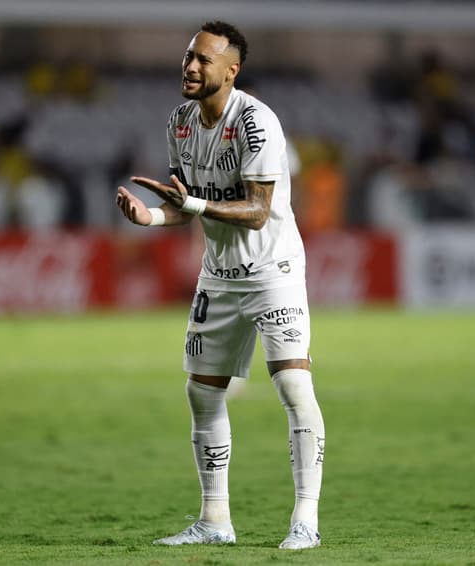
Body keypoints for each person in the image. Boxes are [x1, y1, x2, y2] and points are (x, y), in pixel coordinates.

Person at [116, 21, 325, 550]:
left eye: (204, 60)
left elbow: (257, 213)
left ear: (231, 71)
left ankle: (306, 520)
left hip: (272, 270)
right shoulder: (180, 122)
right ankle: (215, 520)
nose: (190, 66)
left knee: (293, 386)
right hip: (219, 274)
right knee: (201, 393)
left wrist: (191, 205)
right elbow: (184, 206)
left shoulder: (257, 123)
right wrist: (152, 219)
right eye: (189, 56)